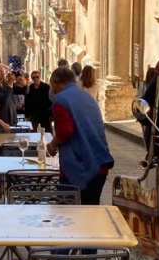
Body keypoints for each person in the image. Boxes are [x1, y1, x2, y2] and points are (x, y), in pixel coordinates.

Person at [46, 67, 114, 204]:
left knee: (67, 214)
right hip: (100, 163)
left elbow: (65, 131)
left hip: (79, 166)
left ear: (54, 84)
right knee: (90, 213)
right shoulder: (87, 97)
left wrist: (52, 146)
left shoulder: (60, 99)